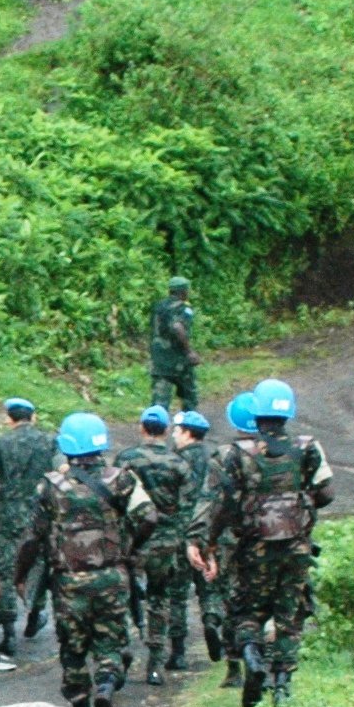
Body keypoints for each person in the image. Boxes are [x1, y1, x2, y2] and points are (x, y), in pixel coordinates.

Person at [188, 379, 334, 707]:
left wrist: (208, 543)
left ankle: (252, 657)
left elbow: (221, 506)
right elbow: (327, 492)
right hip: (296, 548)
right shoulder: (308, 447)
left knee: (245, 611)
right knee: (289, 613)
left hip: (252, 549)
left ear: (256, 413)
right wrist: (301, 503)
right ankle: (282, 685)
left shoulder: (236, 454)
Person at [15, 413, 157, 707]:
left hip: (69, 583)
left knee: (73, 651)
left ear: (66, 446)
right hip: (111, 578)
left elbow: (31, 538)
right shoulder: (121, 479)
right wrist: (130, 548)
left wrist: (20, 577)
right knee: (110, 645)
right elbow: (149, 516)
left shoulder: (52, 486)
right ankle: (106, 687)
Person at [115, 405, 192, 684]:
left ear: (142, 427)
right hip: (166, 541)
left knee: (124, 597)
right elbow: (187, 505)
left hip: (132, 539)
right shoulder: (179, 463)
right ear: (167, 430)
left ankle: (122, 650)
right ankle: (156, 662)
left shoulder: (126, 459)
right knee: (160, 598)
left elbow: (115, 498)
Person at [0, 397, 58, 656]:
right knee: (38, 566)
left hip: (10, 518)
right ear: (33, 417)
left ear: (9, 419)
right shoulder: (48, 442)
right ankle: (35, 614)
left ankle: (8, 632)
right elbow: (62, 469)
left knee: (6, 572)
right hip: (39, 517)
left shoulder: (2, 443)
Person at [170, 407, 231, 682]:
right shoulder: (217, 457)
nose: (173, 435)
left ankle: (178, 651)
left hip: (181, 533)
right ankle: (211, 620)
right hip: (211, 531)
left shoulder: (177, 461)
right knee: (210, 587)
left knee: (178, 593)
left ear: (186, 433)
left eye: (177, 430)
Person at [149, 277, 200, 411]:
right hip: (179, 362)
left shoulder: (159, 306)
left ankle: (155, 428)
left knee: (159, 403)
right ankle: (188, 427)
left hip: (159, 361)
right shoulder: (183, 308)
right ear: (183, 291)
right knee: (189, 398)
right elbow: (177, 327)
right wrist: (189, 352)